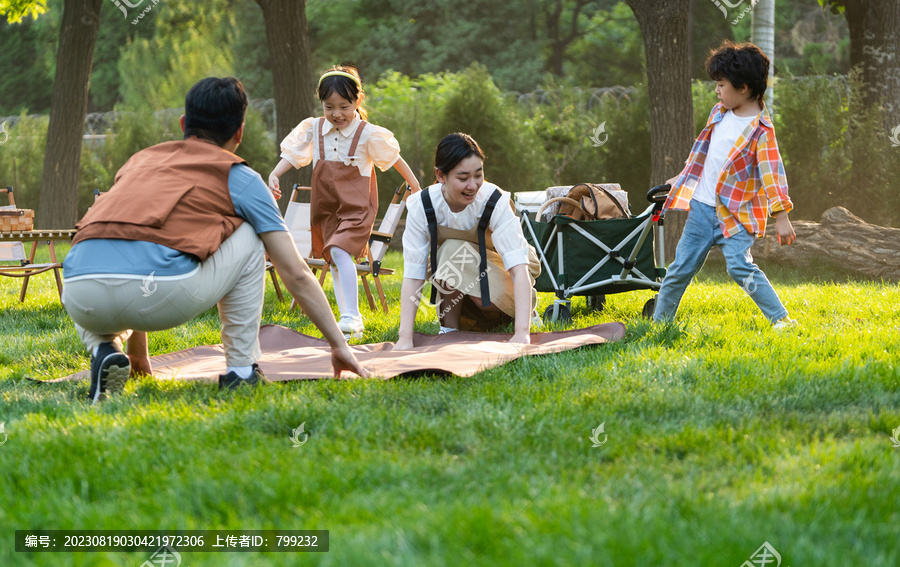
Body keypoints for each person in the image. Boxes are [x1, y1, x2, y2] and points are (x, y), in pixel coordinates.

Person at [63, 77, 369, 404]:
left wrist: (139, 360)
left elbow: (135, 235)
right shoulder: (238, 175)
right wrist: (338, 345)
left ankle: (104, 349)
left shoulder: (138, 162)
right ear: (239, 132)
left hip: (79, 291)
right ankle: (241, 371)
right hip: (163, 294)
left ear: (184, 123)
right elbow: (294, 272)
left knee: (134, 241)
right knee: (252, 234)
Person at [267, 65, 421, 339]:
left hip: (357, 207)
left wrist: (414, 184)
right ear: (321, 103)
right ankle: (350, 319)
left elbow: (393, 159)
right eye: (329, 107)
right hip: (325, 205)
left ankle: (352, 315)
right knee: (335, 258)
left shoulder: (368, 133)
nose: (336, 113)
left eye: (344, 106)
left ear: (358, 101)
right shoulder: (313, 128)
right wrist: (275, 174)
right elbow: (294, 155)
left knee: (339, 250)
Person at [652, 41, 797, 328]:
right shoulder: (719, 113)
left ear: (743, 87)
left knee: (740, 267)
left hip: (736, 215)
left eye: (721, 84)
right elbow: (704, 154)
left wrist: (781, 215)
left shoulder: (761, 131)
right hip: (702, 210)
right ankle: (659, 324)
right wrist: (681, 178)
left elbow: (772, 174)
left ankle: (780, 319)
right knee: (679, 269)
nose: (717, 90)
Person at [395, 133, 539, 350]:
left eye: (478, 175)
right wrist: (405, 339)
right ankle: (449, 330)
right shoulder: (422, 206)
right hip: (461, 286)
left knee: (455, 253)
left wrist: (522, 333)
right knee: (450, 250)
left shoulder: (493, 200)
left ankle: (525, 312)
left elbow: (519, 268)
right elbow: (413, 275)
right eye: (463, 178)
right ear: (440, 175)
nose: (473, 185)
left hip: (501, 276)